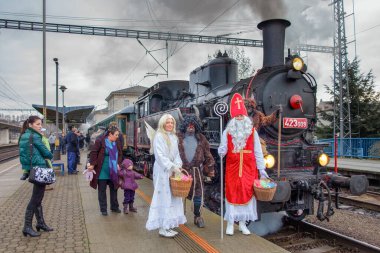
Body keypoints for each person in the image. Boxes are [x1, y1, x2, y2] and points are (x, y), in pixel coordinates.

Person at [218, 93, 269, 236]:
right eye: (237, 116)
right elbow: (223, 150)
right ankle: (230, 223)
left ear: (245, 117)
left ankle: (242, 224)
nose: (240, 118)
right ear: (233, 118)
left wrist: (262, 169)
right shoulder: (227, 132)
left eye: (241, 115)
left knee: (247, 194)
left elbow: (258, 151)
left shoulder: (252, 132)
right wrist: (221, 151)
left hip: (248, 169)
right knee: (232, 194)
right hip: (233, 169)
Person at [146, 114, 186, 238]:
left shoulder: (174, 137)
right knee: (164, 197)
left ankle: (168, 225)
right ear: (163, 124)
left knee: (173, 197)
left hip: (172, 170)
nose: (170, 124)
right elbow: (160, 156)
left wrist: (178, 165)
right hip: (163, 171)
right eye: (167, 122)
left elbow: (177, 154)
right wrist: (172, 166)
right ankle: (162, 228)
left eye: (172, 123)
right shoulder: (159, 136)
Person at [18, 116, 54, 237]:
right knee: (36, 199)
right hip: (40, 169)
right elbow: (47, 153)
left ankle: (40, 223)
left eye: (40, 124)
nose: (40, 126)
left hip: (33, 169)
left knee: (38, 198)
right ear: (31, 125)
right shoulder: (35, 136)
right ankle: (27, 226)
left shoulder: (24, 135)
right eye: (38, 124)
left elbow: (24, 156)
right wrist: (49, 154)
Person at [177, 114, 215, 228]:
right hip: (181, 171)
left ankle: (197, 216)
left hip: (196, 172)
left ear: (196, 126)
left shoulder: (202, 138)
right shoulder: (177, 137)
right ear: (184, 126)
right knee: (179, 195)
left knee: (198, 195)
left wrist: (211, 168)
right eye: (188, 125)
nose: (190, 127)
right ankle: (180, 216)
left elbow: (208, 155)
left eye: (193, 125)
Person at [88, 125, 123, 216]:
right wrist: (92, 164)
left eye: (118, 135)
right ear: (110, 134)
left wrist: (118, 163)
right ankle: (103, 209)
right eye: (116, 135)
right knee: (102, 190)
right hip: (102, 169)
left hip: (113, 169)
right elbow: (94, 152)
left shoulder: (117, 142)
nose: (117, 136)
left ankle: (114, 207)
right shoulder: (100, 140)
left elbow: (120, 153)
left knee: (114, 188)